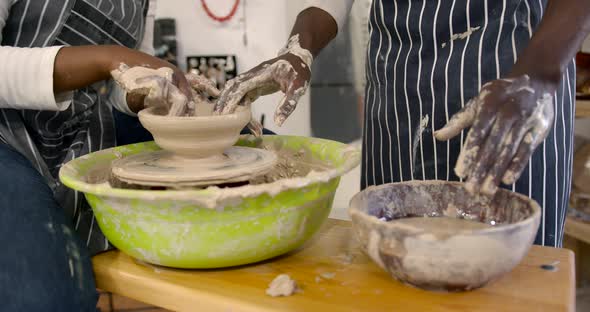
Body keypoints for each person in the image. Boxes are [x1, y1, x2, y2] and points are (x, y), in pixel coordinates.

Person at [215, 0, 590, 248]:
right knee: (392, 263)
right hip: (397, 81)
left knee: (509, 277)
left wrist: (537, 75)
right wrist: (300, 46)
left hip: (512, 74)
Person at [0, 0, 200, 310]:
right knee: (45, 292)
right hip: (5, 134)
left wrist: (144, 93)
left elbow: (120, 88)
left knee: (250, 149)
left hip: (80, 126)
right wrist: (105, 58)